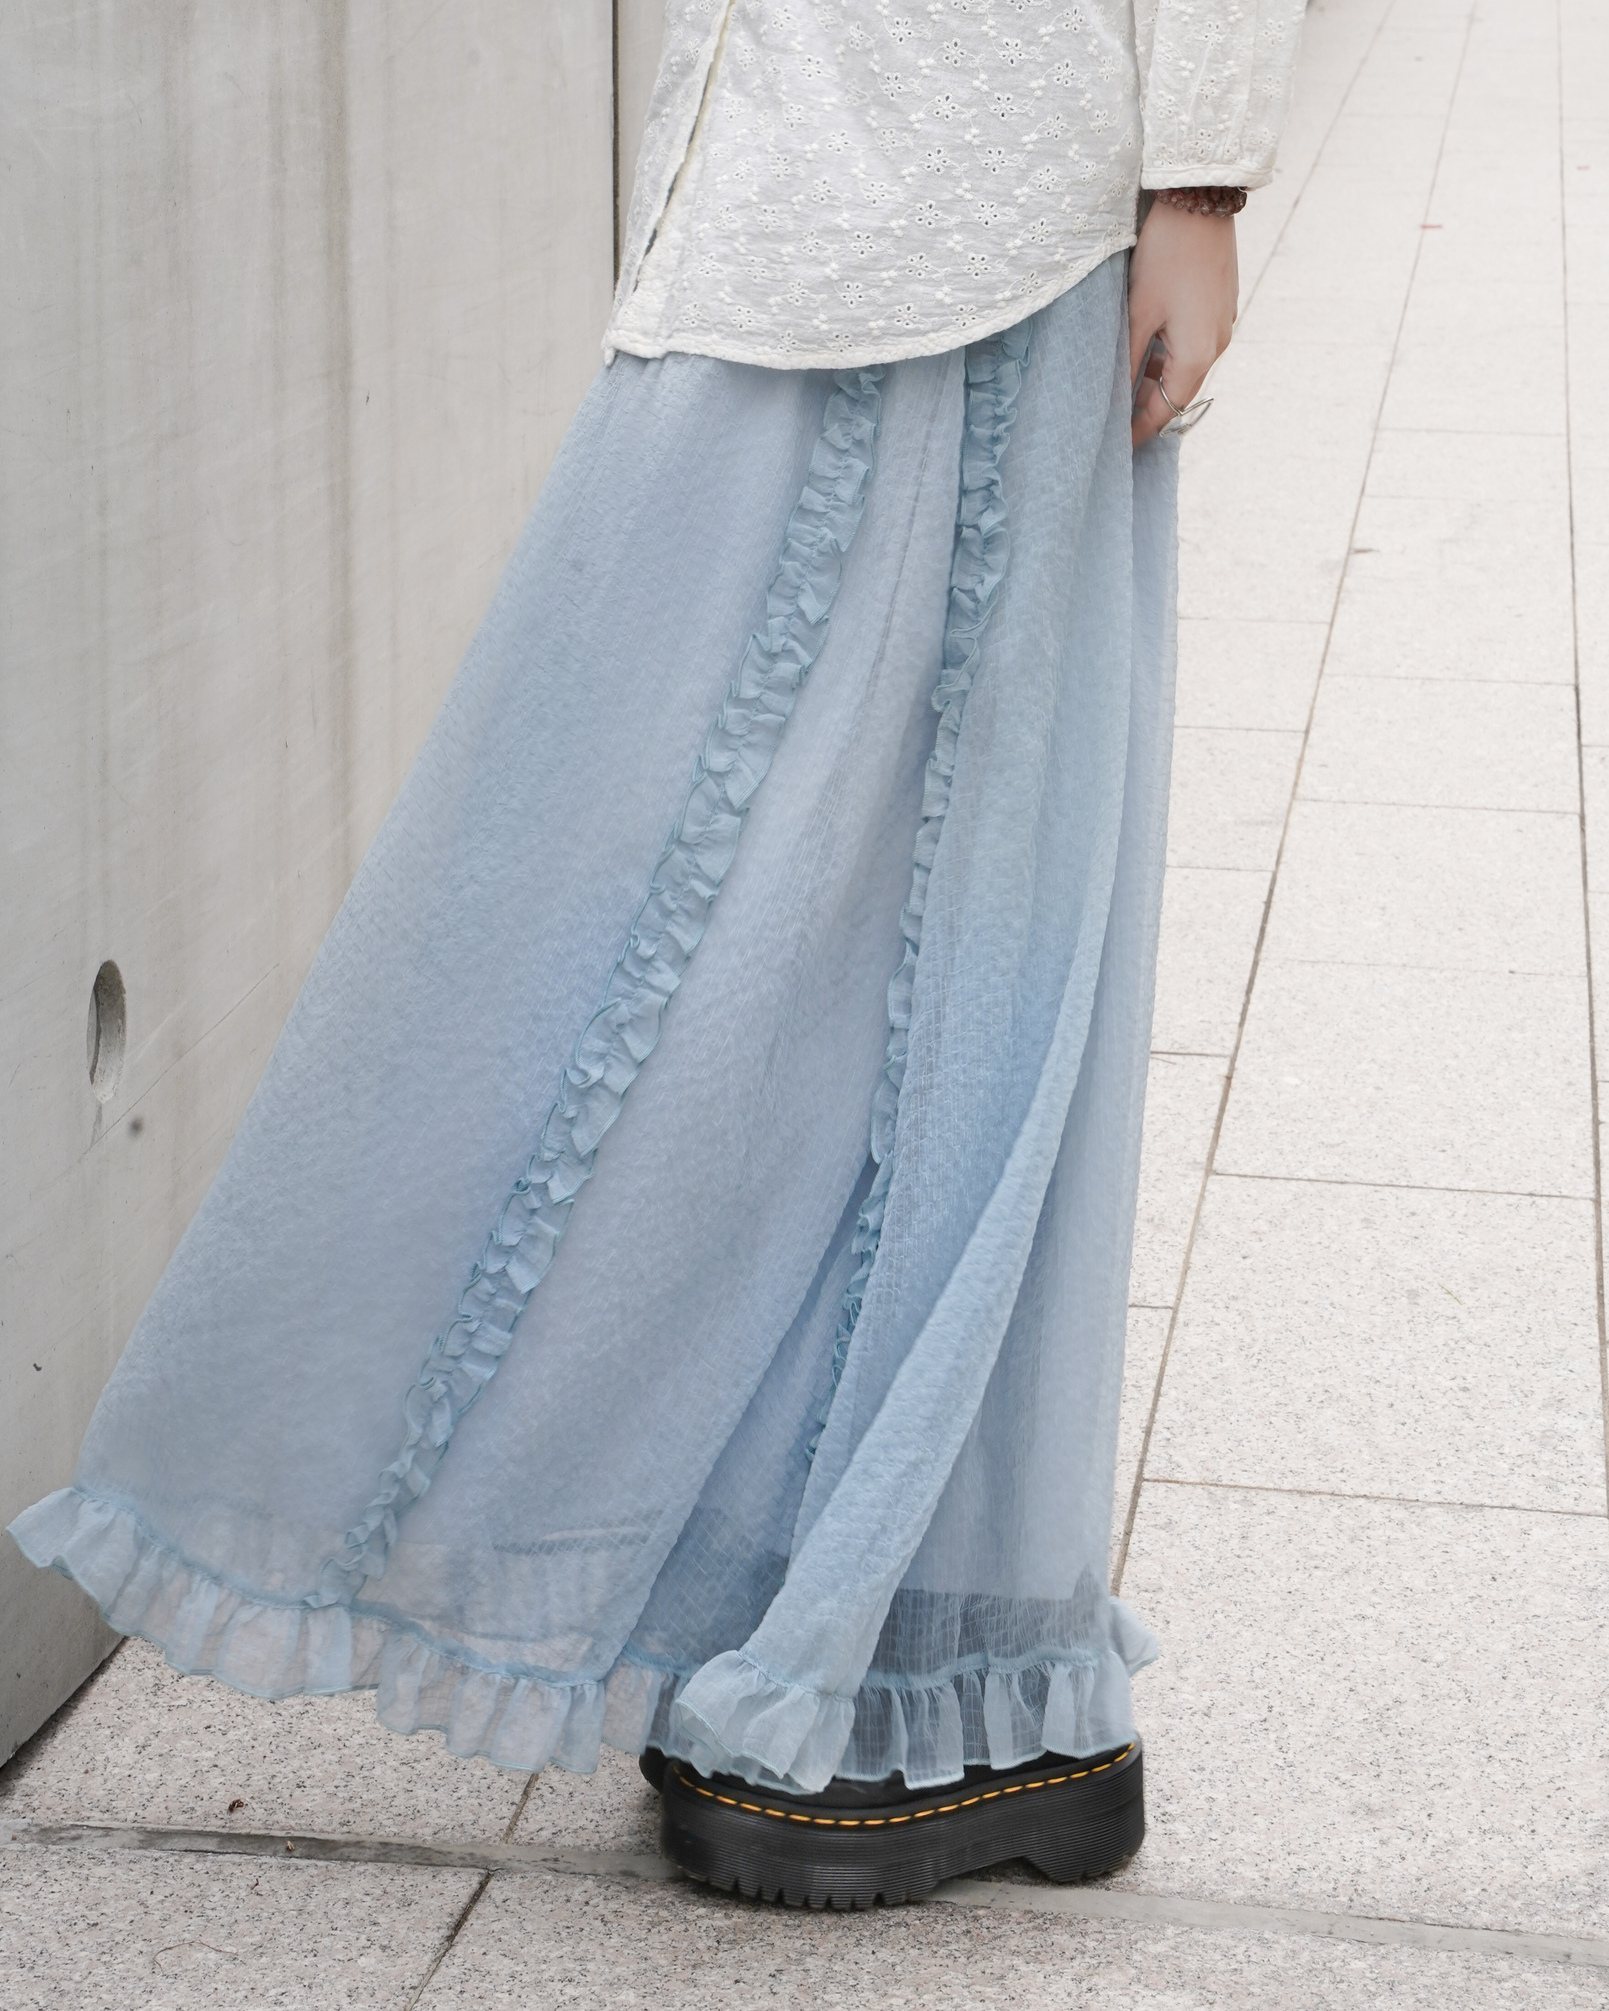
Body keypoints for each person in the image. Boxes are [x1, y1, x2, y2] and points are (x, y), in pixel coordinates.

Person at [12, 0, 1304, 1908]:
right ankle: (790, 1595)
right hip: (777, 178)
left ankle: (939, 1651)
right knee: (733, 938)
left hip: (1002, 197)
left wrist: (1195, 177)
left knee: (956, 946)